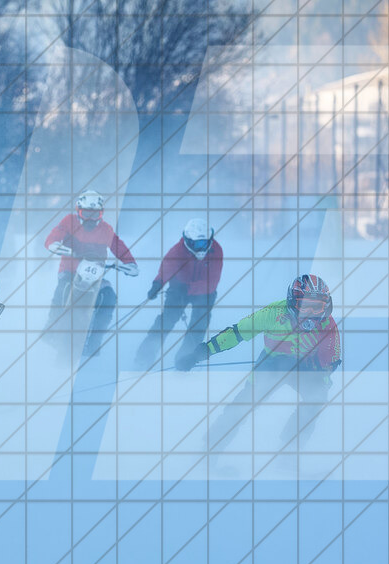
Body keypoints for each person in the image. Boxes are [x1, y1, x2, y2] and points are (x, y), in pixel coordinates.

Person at [180, 274, 342, 457]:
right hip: (271, 363)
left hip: (303, 367)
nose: (311, 314)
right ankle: (210, 450)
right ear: (292, 302)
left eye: (317, 307)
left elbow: (331, 360)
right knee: (244, 403)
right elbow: (237, 333)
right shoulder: (274, 313)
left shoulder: (327, 325)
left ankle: (289, 453)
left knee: (316, 399)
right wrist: (201, 353)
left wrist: (320, 374)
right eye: (305, 306)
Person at [44, 190, 138, 356]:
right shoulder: (69, 221)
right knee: (63, 289)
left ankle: (94, 342)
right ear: (78, 210)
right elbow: (53, 237)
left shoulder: (106, 229)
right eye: (86, 213)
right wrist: (54, 244)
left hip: (95, 275)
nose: (90, 218)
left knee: (109, 296)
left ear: (101, 214)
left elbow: (119, 246)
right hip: (70, 270)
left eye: (95, 214)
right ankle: (50, 329)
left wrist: (130, 262)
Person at [134, 219, 223, 371]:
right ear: (188, 241)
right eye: (197, 244)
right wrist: (157, 284)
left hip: (205, 292)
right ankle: (143, 358)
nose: (201, 247)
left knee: (199, 324)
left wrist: (189, 288)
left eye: (204, 243)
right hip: (178, 288)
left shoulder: (216, 250)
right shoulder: (178, 250)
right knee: (166, 321)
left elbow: (212, 282)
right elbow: (166, 268)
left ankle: (184, 361)